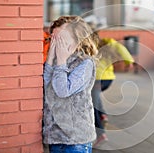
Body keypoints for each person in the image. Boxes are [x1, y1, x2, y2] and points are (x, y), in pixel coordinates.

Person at [43, 15, 98, 153]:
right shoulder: (57, 61)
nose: (56, 44)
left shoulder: (85, 63)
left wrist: (60, 61)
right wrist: (50, 58)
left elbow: (63, 91)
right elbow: (46, 87)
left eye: (60, 39)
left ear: (78, 39)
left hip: (76, 140)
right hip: (55, 137)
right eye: (53, 39)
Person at [92, 37, 134, 147]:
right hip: (108, 79)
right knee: (94, 97)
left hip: (97, 80)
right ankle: (103, 115)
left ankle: (101, 134)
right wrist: (129, 61)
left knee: (93, 106)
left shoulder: (92, 46)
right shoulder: (108, 45)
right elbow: (121, 48)